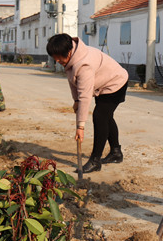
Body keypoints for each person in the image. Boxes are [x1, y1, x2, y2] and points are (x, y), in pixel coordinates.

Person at [46, 33, 129, 173]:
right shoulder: (71, 58)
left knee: (100, 116)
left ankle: (95, 160)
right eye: (55, 57)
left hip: (116, 83)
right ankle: (116, 152)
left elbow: (85, 96)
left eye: (59, 57)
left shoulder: (84, 64)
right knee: (106, 117)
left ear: (69, 51)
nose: (57, 60)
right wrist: (76, 101)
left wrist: (80, 126)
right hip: (102, 83)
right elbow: (74, 82)